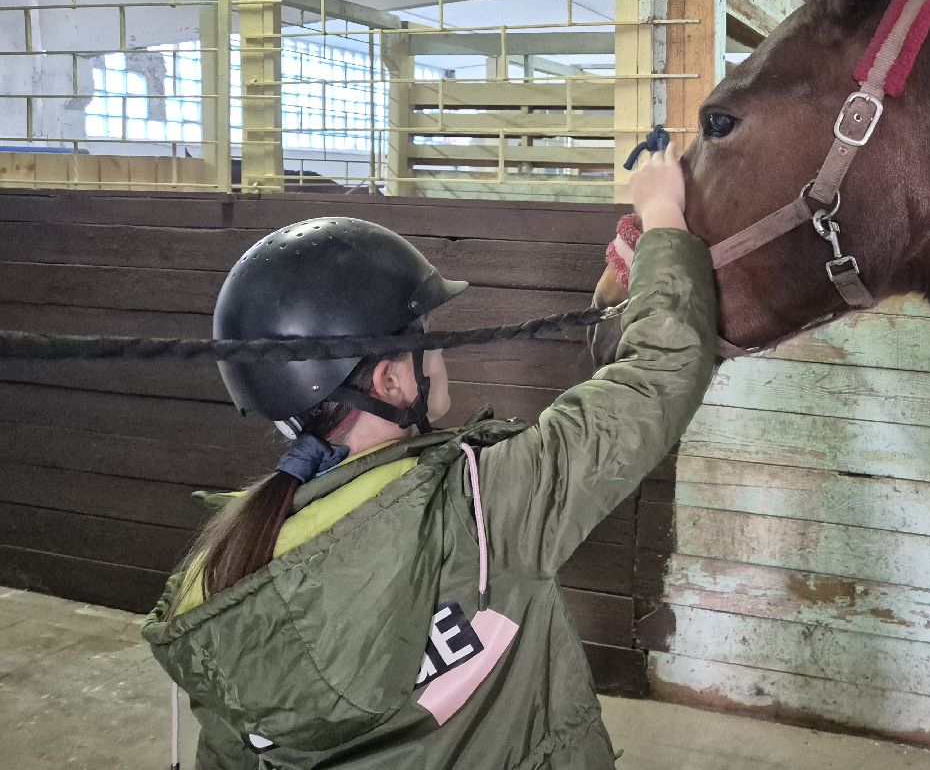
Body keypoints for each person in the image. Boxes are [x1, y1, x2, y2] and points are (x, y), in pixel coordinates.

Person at [142, 148, 716, 770]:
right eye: (427, 341)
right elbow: (658, 375)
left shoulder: (220, 575)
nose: (439, 352)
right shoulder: (479, 506)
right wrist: (662, 212)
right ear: (391, 381)